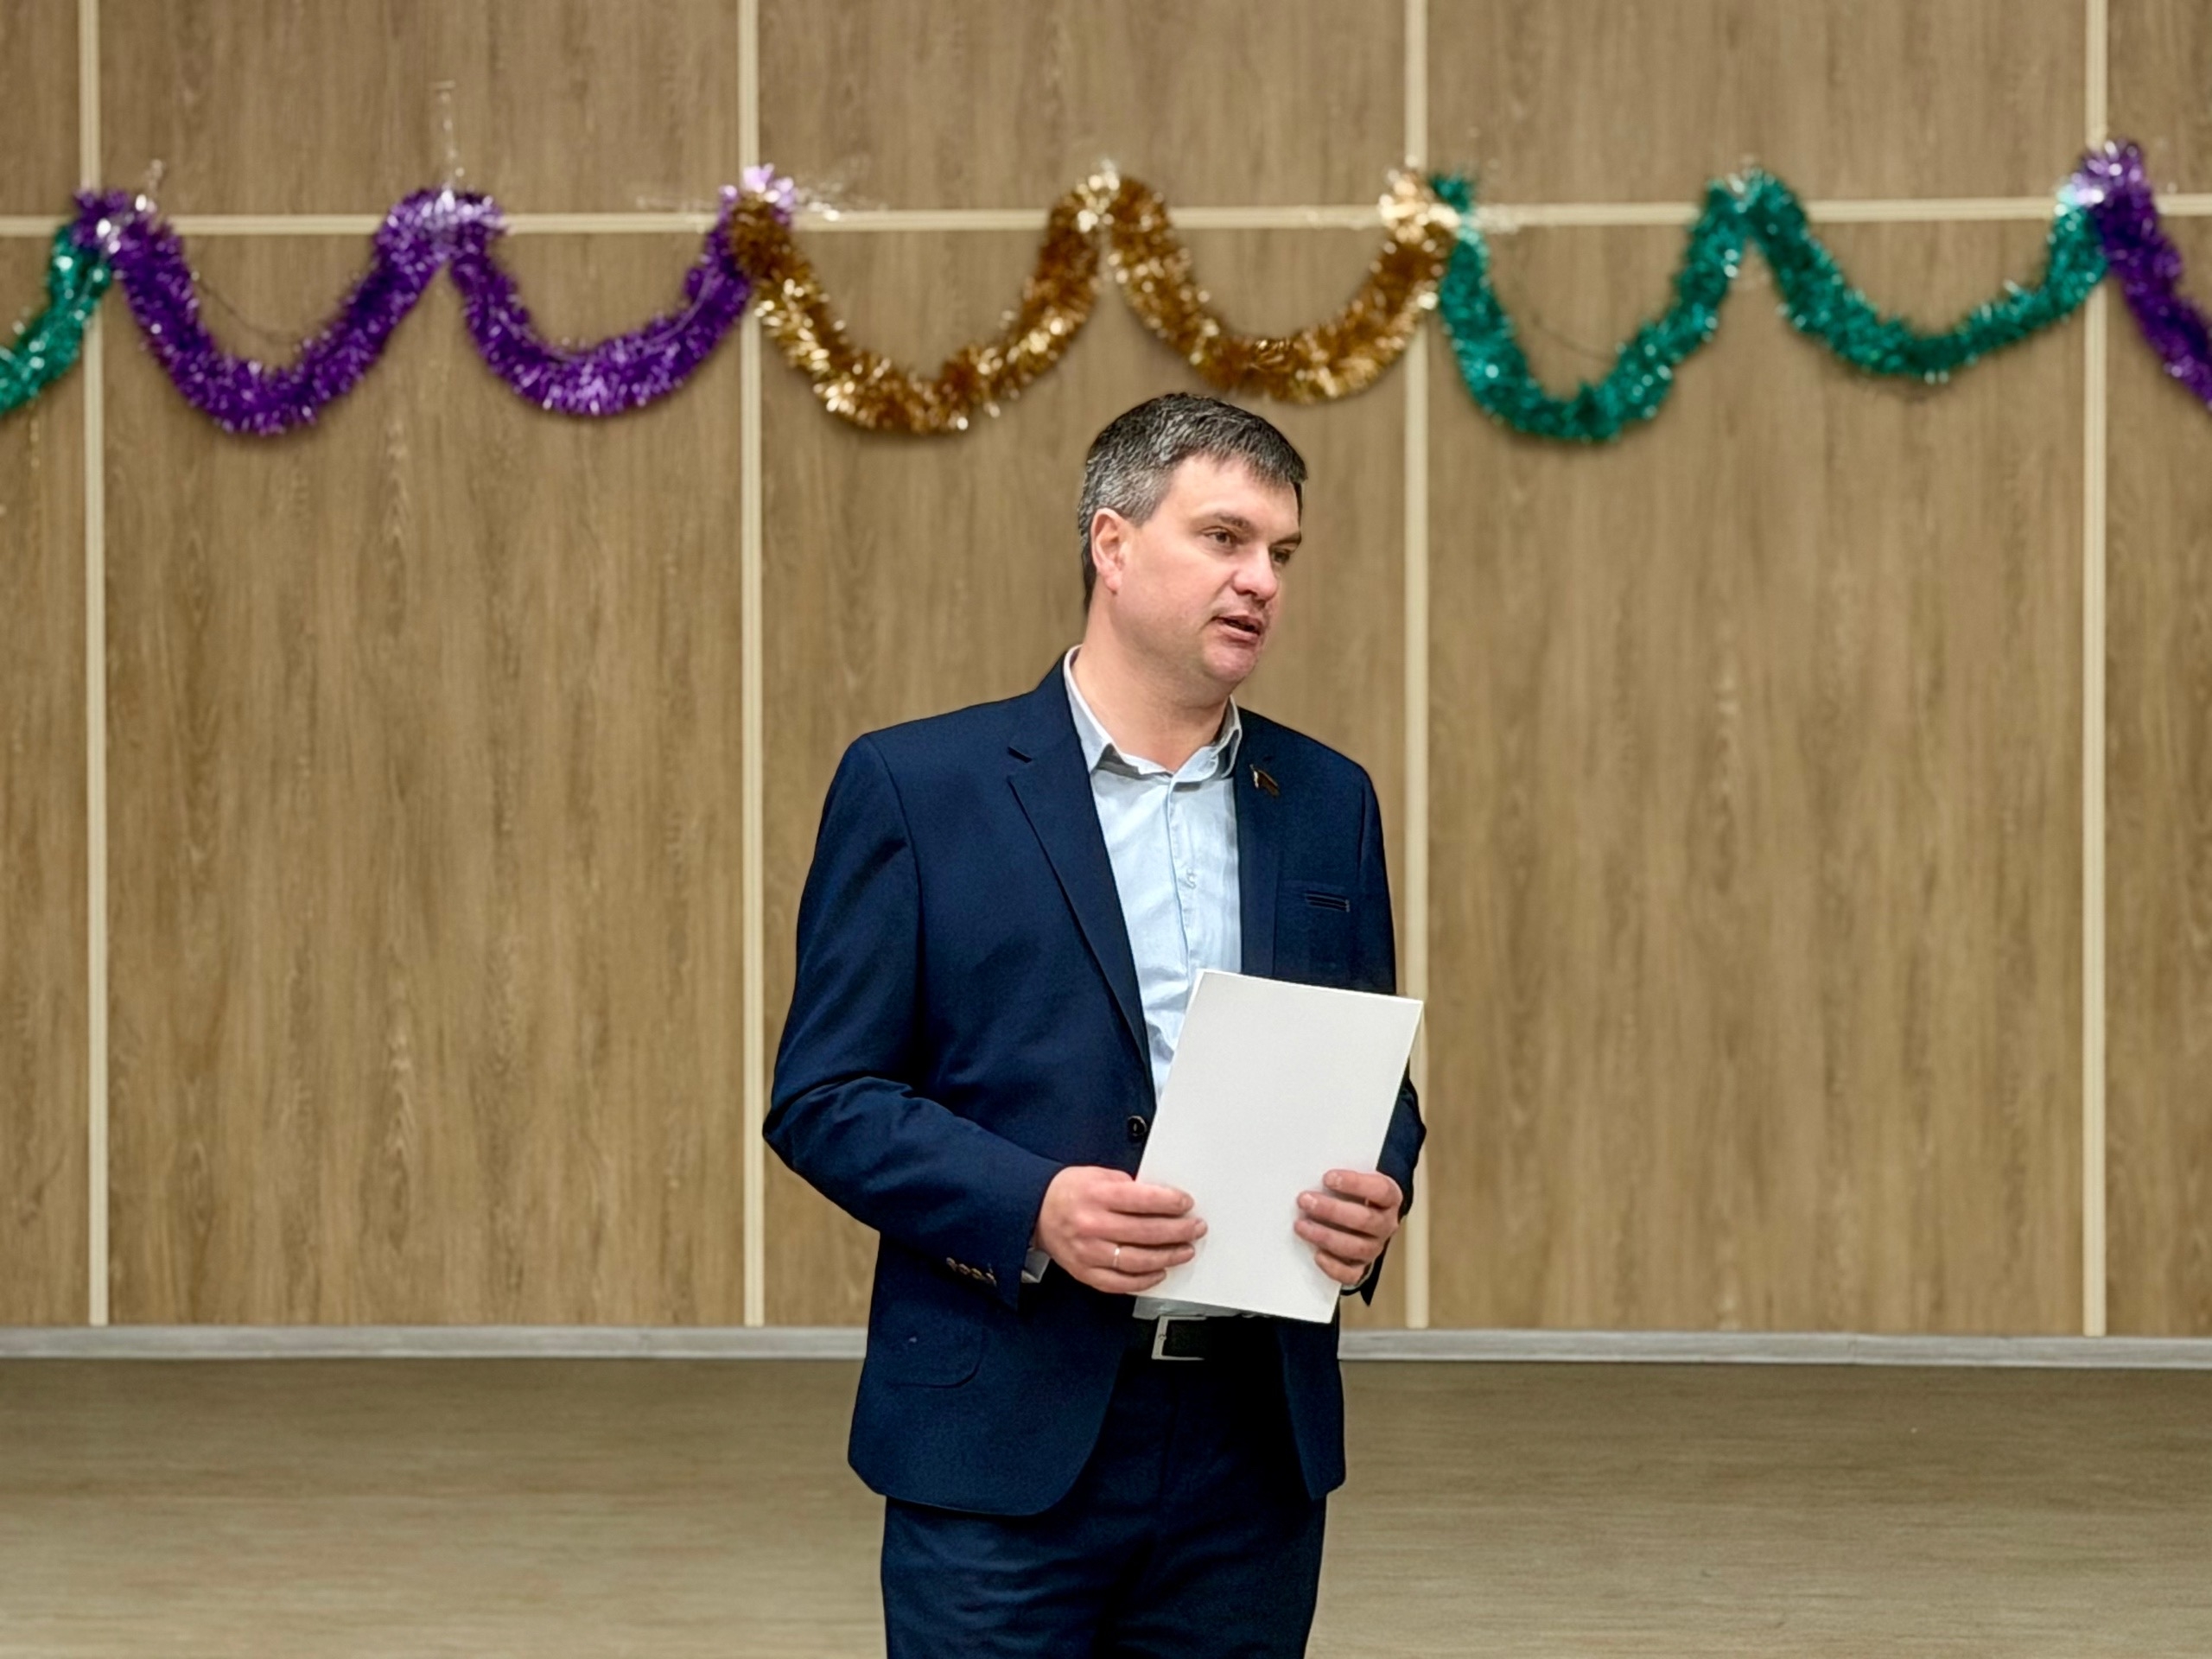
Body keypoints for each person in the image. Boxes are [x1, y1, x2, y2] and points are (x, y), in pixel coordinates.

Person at [766, 391, 1425, 1656]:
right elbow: (825, 1098)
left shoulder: (1326, 800)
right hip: (1001, 1432)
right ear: (1111, 546)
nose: (1262, 580)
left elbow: (1376, 1079)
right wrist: (1033, 1208)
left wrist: (1376, 1191)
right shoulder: (920, 788)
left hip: (1253, 1451)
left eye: (1281, 552)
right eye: (1224, 538)